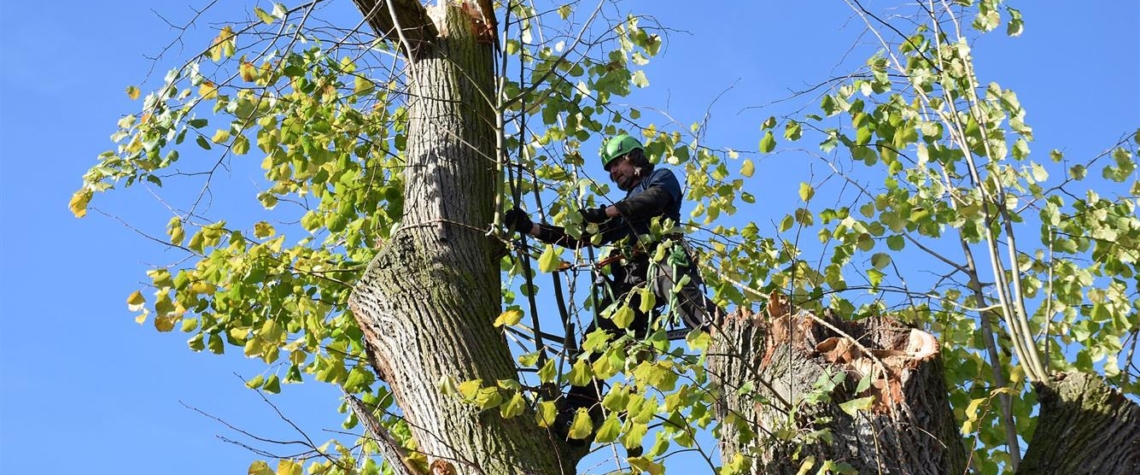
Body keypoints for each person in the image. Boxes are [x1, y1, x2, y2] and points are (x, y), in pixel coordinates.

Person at [504, 134, 724, 443]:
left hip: (662, 263)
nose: (612, 172)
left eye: (616, 164)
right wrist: (531, 229)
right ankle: (576, 416)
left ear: (634, 157)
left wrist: (607, 212)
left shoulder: (661, 178)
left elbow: (654, 200)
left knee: (677, 290)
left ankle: (725, 334)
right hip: (630, 287)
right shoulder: (621, 212)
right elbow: (579, 238)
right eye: (608, 169)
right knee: (594, 343)